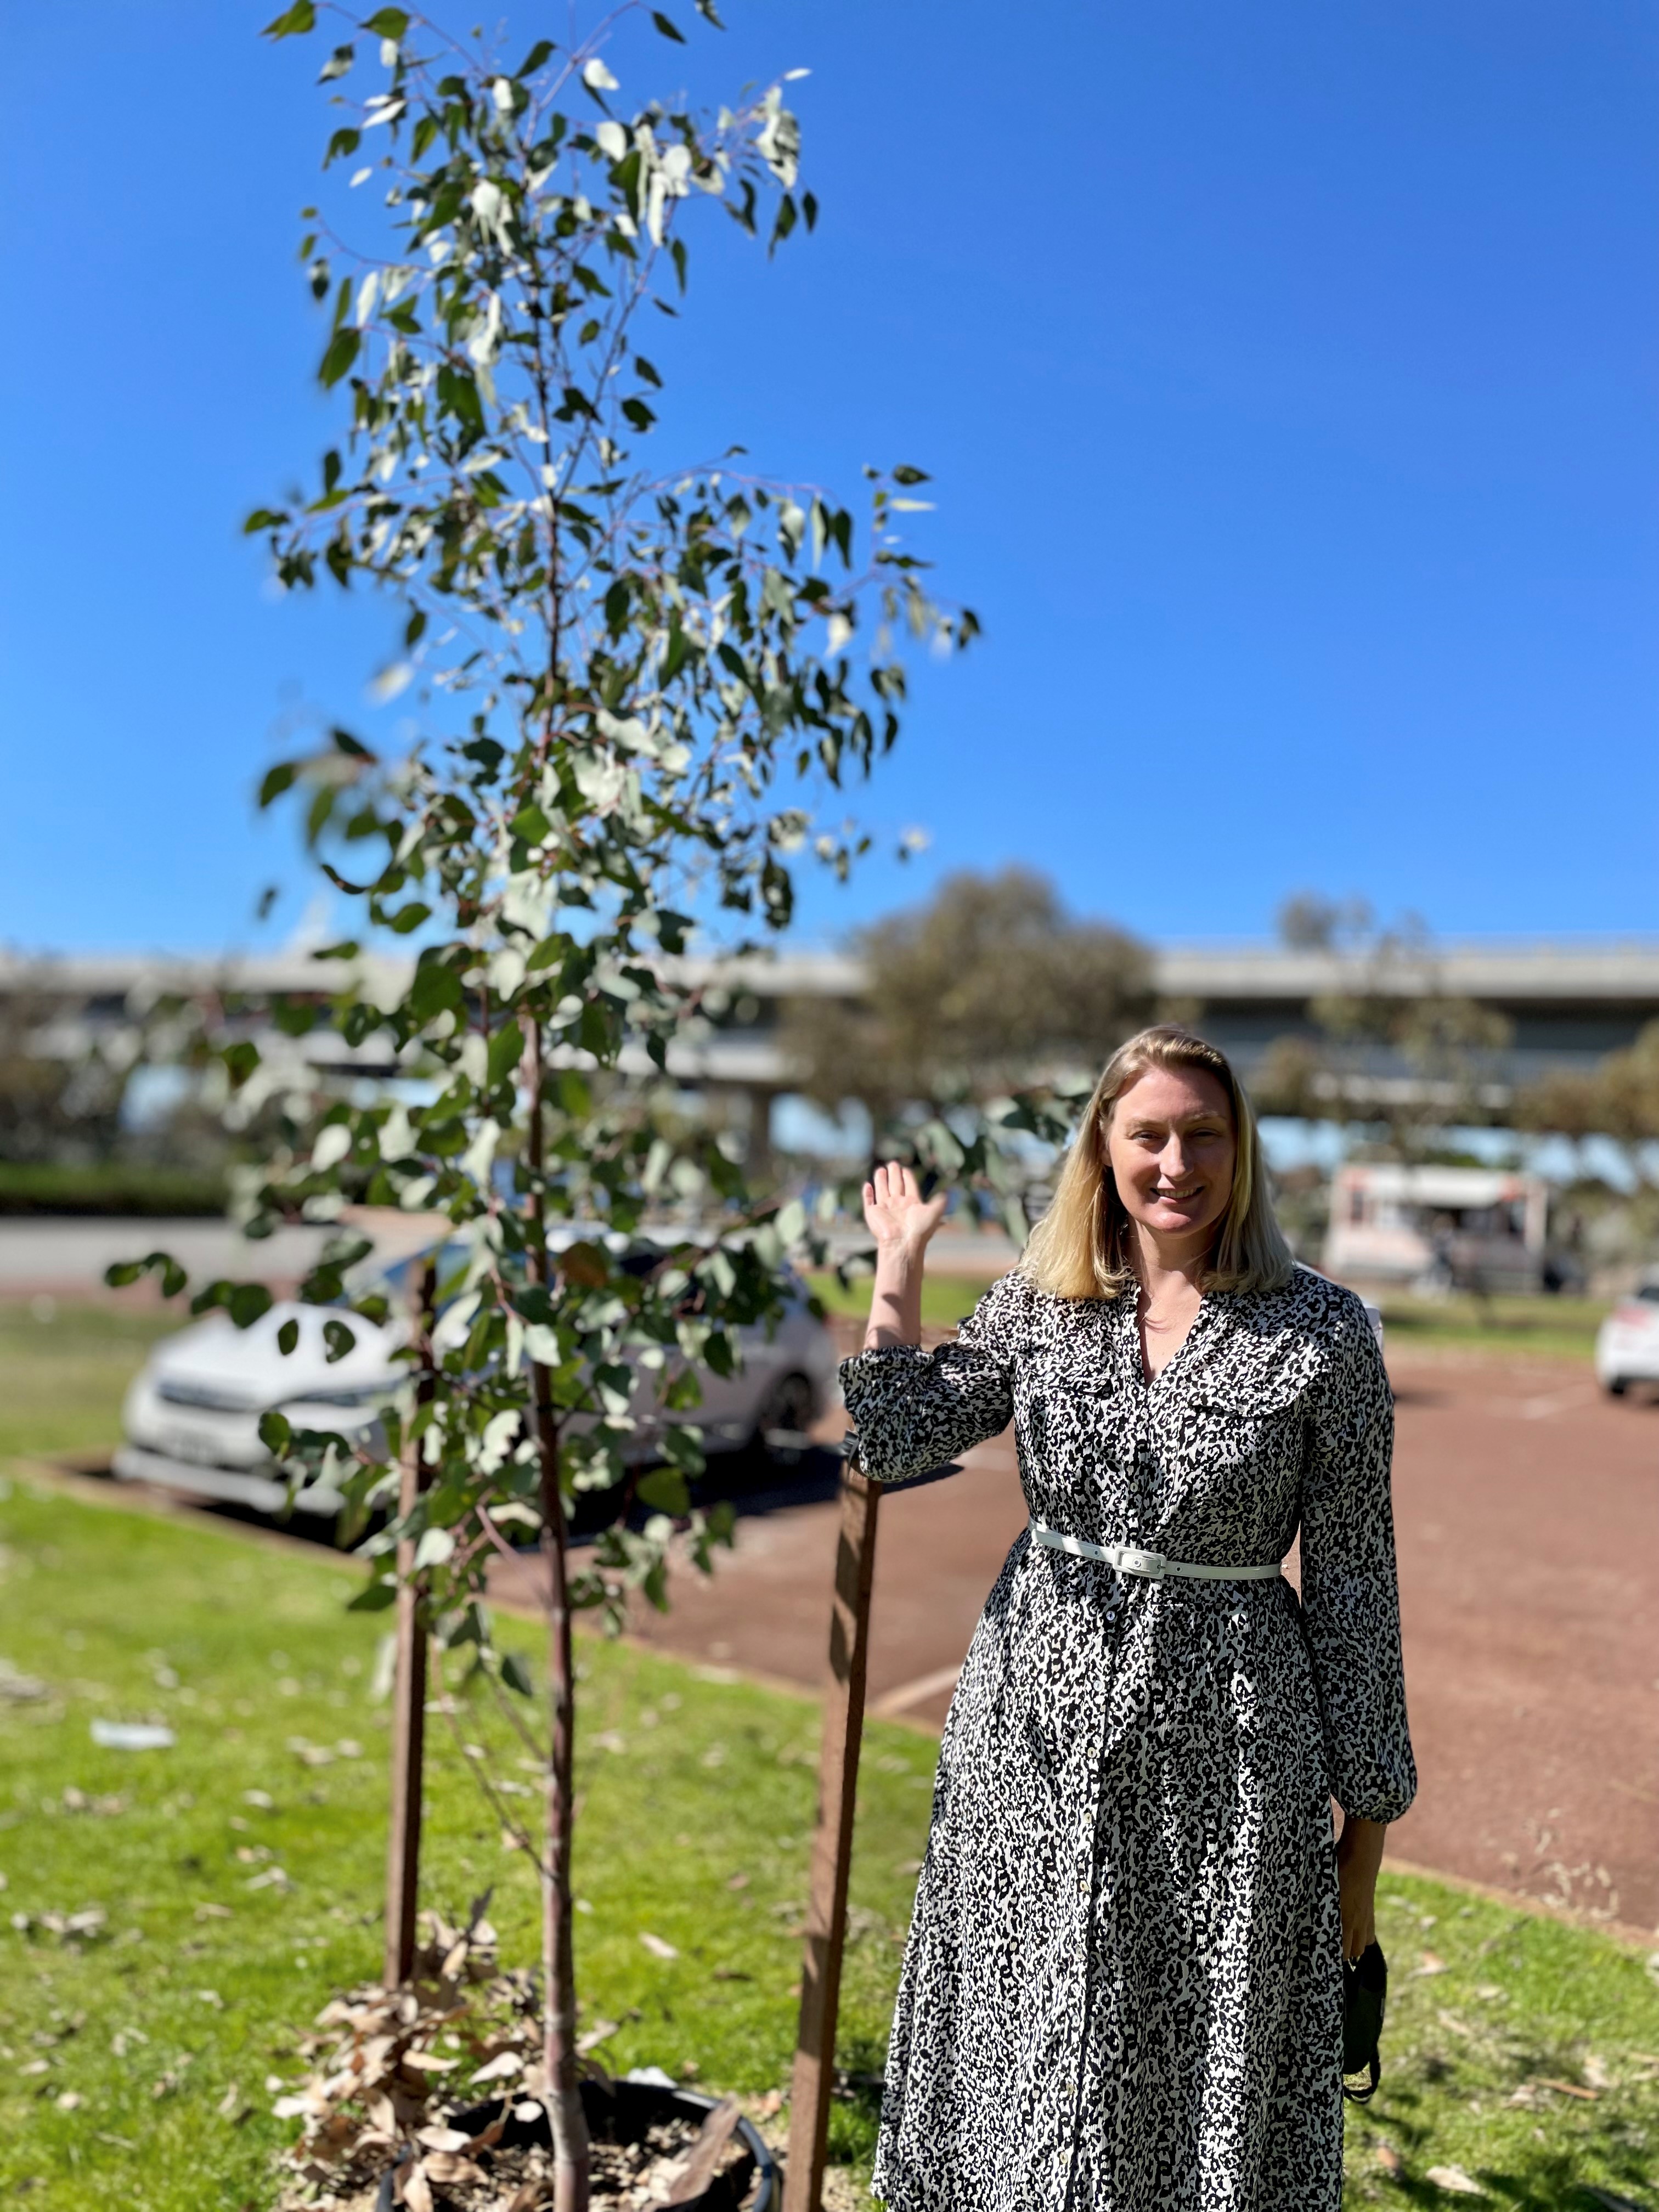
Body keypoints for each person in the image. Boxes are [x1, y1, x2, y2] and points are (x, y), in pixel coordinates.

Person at [842, 1025, 1414, 2212]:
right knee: (1022, 2014)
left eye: (1204, 1134)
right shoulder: (1045, 1305)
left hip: (1232, 1754)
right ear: (1103, 1148)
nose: (1176, 1163)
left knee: (1195, 2037)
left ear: (1242, 1152)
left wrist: (1361, 1855)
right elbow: (896, 1439)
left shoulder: (1325, 1332)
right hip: (1029, 1736)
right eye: (1147, 1133)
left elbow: (1357, 1586)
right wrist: (897, 1267)